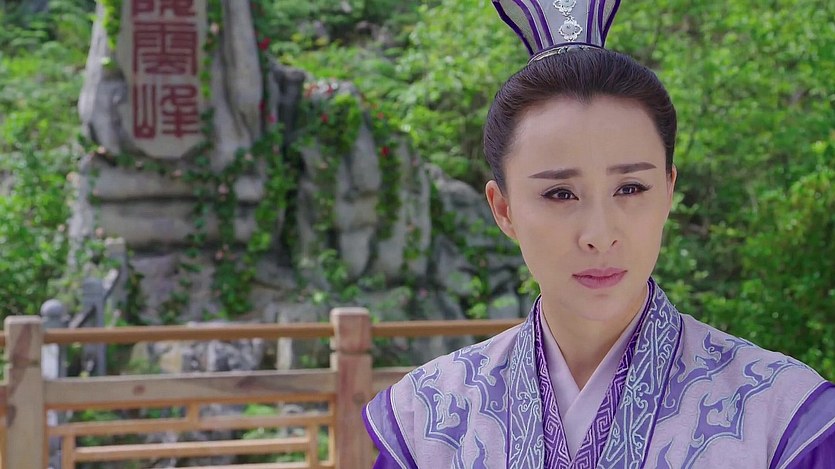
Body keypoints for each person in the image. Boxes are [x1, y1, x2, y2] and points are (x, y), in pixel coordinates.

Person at [362, 1, 835, 467]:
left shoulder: (783, 417)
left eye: (630, 188)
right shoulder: (427, 420)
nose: (599, 235)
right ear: (503, 209)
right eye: (560, 194)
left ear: (668, 191)